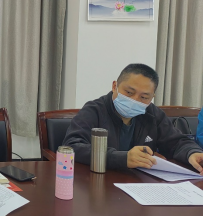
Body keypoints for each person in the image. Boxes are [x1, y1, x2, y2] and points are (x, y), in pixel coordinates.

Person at [63, 64, 203, 173]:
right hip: (99, 182)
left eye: (144, 97)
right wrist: (123, 158)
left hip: (139, 185)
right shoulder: (94, 110)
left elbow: (177, 142)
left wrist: (192, 152)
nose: (135, 100)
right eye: (129, 92)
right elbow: (72, 146)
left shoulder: (153, 114)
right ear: (114, 86)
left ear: (152, 97)